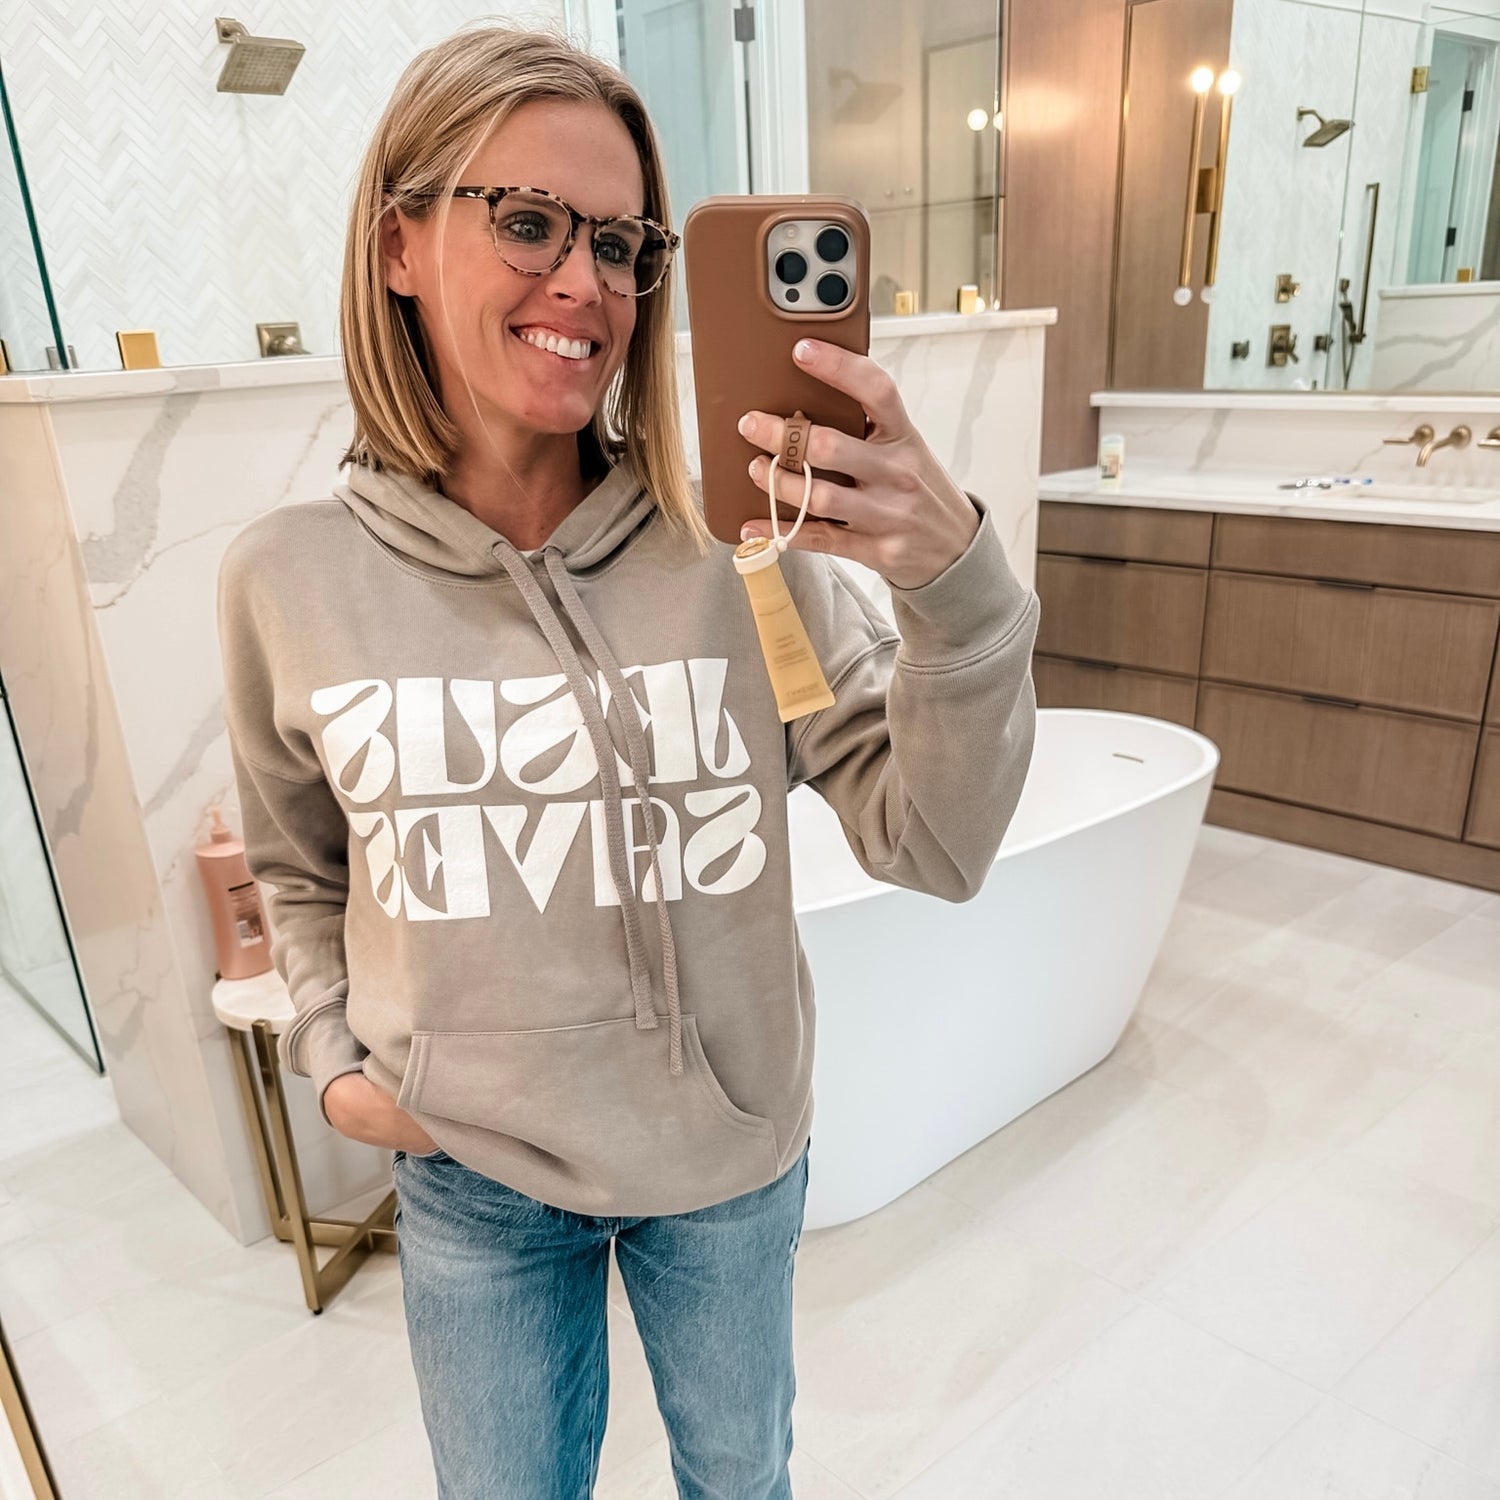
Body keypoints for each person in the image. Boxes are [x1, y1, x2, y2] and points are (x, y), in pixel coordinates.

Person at [217, 23, 1039, 1500]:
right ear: (399, 243)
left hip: (723, 1168)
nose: (585, 283)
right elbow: (297, 865)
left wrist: (953, 585)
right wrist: (335, 1064)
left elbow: (937, 842)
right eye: (529, 221)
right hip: (469, 1173)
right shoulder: (287, 578)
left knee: (741, 1479)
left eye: (621, 243)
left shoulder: (747, 554)